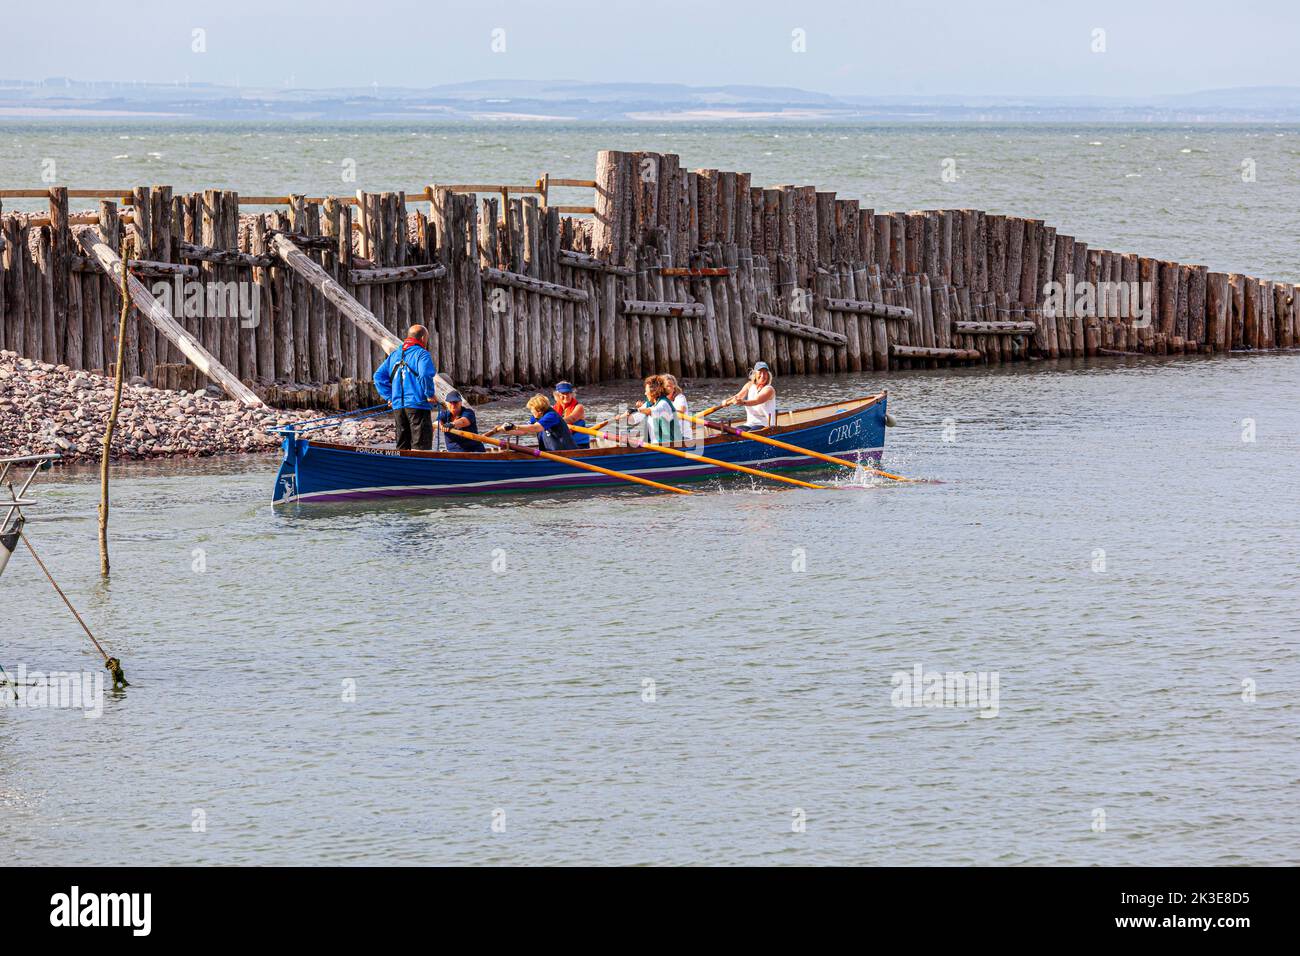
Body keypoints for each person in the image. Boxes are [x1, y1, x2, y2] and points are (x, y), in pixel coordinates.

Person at [373, 324, 439, 450]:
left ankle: (402, 469)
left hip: (398, 407)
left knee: (402, 448)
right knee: (421, 449)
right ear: (423, 338)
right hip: (418, 406)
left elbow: (378, 377)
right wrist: (429, 394)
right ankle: (419, 469)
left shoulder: (394, 355)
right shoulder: (422, 354)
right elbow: (425, 374)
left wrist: (390, 397)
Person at [486, 394, 578, 451]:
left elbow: (536, 428)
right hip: (549, 453)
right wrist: (504, 430)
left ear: (539, 410)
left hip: (565, 453)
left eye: (531, 409)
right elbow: (523, 431)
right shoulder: (536, 416)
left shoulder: (551, 416)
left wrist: (514, 426)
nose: (531, 411)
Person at [722, 361, 776, 430]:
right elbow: (738, 396)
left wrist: (742, 402)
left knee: (751, 432)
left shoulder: (769, 389)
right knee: (734, 431)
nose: (762, 376)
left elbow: (756, 401)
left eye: (765, 373)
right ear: (755, 374)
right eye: (760, 372)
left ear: (768, 375)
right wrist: (726, 401)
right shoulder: (749, 385)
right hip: (750, 424)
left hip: (765, 425)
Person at [638, 375, 681, 445]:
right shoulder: (652, 404)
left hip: (672, 445)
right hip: (655, 445)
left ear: (654, 392)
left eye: (646, 391)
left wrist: (637, 410)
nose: (645, 393)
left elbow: (650, 411)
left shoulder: (663, 404)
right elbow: (635, 418)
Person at [551, 381, 590, 448]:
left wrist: (550, 420)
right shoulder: (553, 409)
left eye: (568, 393)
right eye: (563, 393)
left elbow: (571, 419)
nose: (566, 396)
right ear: (557, 395)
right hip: (563, 442)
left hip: (579, 444)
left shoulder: (579, 407)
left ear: (572, 394)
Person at [662, 373, 693, 442]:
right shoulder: (661, 401)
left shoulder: (680, 398)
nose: (667, 389)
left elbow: (681, 410)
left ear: (674, 387)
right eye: (665, 386)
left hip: (683, 436)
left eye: (669, 386)